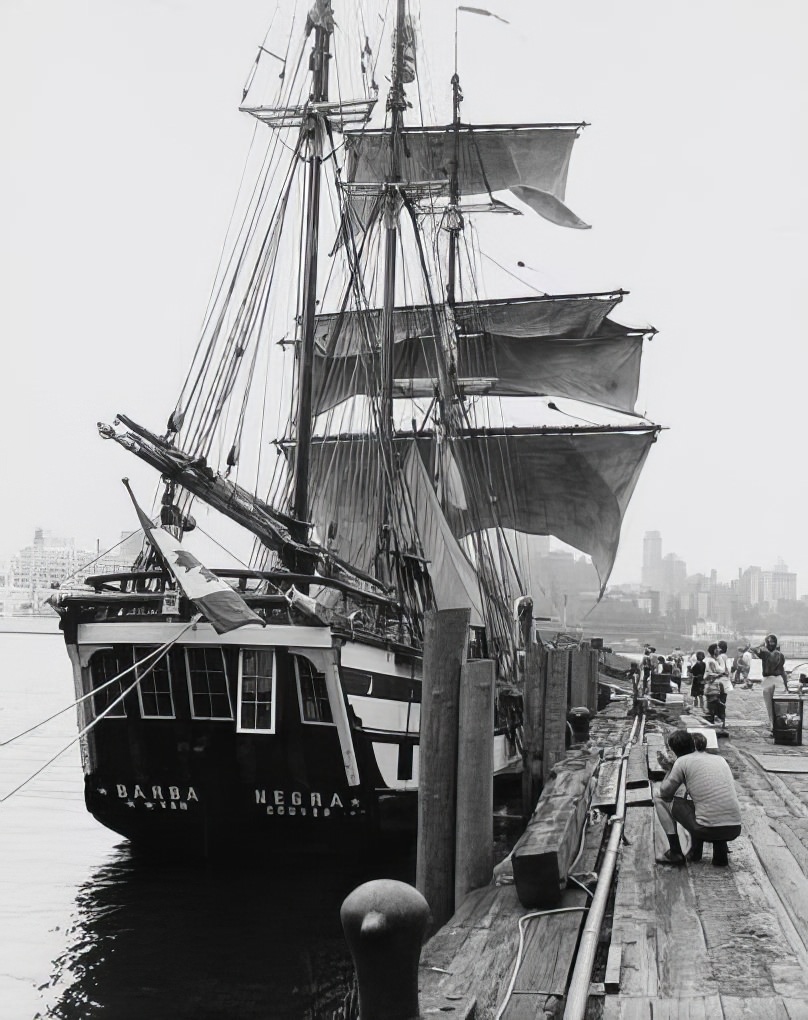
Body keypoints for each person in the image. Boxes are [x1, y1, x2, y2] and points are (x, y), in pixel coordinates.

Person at [653, 729, 742, 866]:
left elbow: (665, 793)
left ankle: (675, 852)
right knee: (705, 802)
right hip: (734, 828)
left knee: (659, 800)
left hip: (707, 829)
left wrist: (669, 769)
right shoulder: (720, 759)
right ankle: (719, 851)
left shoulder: (682, 761)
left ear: (673, 750)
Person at [750, 634, 789, 729]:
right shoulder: (780, 655)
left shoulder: (764, 652)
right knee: (779, 705)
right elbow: (782, 671)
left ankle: (773, 725)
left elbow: (752, 648)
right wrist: (786, 685)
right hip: (778, 679)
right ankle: (780, 724)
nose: (771, 644)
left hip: (768, 679)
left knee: (770, 705)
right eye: (770, 642)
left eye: (771, 642)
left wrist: (762, 643)